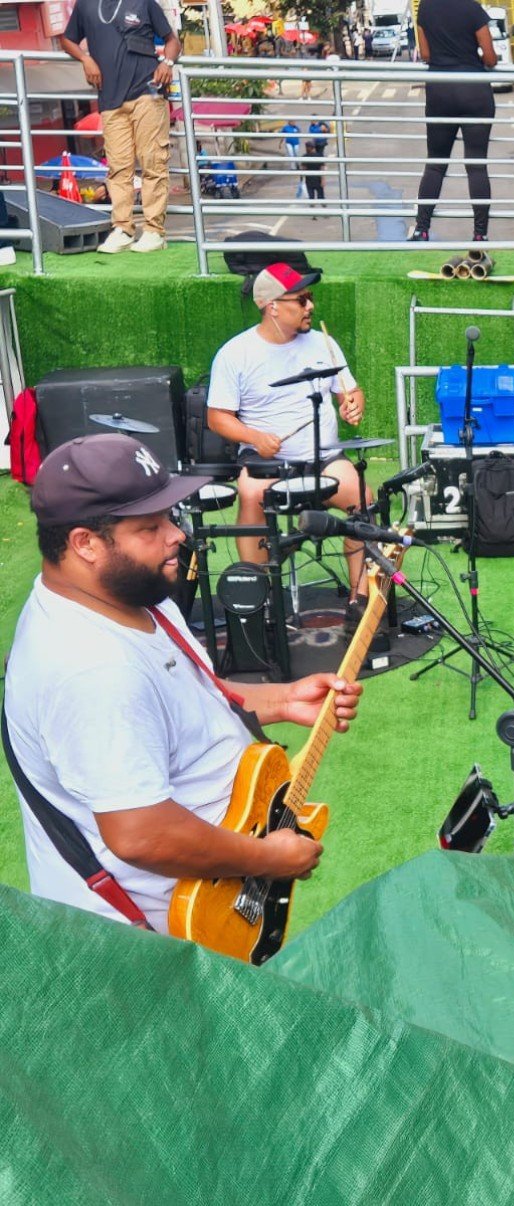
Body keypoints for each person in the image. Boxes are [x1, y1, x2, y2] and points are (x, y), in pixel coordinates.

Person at [2, 435, 360, 931]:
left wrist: (283, 699)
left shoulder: (130, 595)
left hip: (212, 899)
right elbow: (143, 835)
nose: (176, 536)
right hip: (154, 942)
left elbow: (185, 696)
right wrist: (267, 859)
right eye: (150, 527)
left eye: (170, 518)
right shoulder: (91, 669)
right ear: (85, 543)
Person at [206, 264, 374, 630]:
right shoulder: (235, 353)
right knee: (250, 493)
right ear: (273, 306)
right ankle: (254, 598)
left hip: (324, 456)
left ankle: (360, 599)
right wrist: (254, 438)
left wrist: (352, 402)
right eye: (301, 299)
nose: (310, 305)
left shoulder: (324, 342)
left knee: (367, 502)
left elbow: (349, 389)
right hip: (268, 459)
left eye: (310, 297)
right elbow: (217, 418)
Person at [60, 0, 179, 254]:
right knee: (118, 167)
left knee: (153, 162)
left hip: (148, 92)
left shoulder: (144, 3)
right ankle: (123, 229)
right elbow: (67, 39)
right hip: (110, 100)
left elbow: (173, 41)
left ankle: (154, 231)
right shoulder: (86, 6)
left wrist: (166, 64)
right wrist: (85, 58)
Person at [408, 0, 498, 242]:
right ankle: (480, 235)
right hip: (474, 91)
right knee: (476, 165)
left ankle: (421, 228)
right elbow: (490, 57)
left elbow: (425, 54)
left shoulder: (425, 7)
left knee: (436, 164)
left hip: (440, 90)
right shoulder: (472, 7)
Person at [303, 118, 330, 201]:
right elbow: (322, 168)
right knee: (321, 197)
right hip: (317, 180)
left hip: (309, 180)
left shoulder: (305, 157)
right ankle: (323, 211)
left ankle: (314, 211)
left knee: (311, 198)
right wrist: (323, 180)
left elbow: (303, 169)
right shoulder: (319, 156)